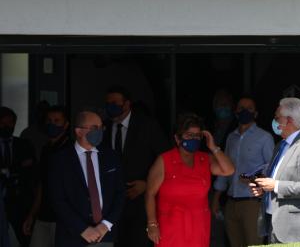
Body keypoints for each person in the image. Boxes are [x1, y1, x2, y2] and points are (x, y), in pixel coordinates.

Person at [145, 114, 234, 247]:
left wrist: (213, 147)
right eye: (189, 135)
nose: (194, 138)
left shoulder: (204, 159)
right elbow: (150, 193)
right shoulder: (165, 160)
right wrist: (152, 224)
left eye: (197, 135)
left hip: (198, 227)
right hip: (170, 227)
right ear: (177, 138)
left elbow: (229, 170)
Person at [249, 97, 300, 244]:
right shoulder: (280, 146)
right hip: (274, 225)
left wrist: (276, 185)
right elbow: (277, 180)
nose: (274, 121)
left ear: (288, 120)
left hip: (296, 231)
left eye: (277, 118)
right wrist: (264, 189)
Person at [102, 85, 169, 247]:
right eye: (108, 103)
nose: (111, 106)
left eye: (115, 103)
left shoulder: (147, 126)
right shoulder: (103, 128)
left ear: (126, 104)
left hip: (140, 202)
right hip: (111, 204)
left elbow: (166, 159)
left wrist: (147, 184)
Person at [48, 110, 125, 247]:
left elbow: (120, 193)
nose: (100, 131)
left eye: (101, 127)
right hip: (71, 236)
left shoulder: (111, 157)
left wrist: (106, 224)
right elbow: (57, 200)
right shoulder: (60, 160)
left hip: (105, 235)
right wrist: (82, 229)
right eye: (95, 128)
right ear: (79, 131)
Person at [211, 97, 273, 247]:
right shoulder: (231, 138)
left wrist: (254, 178)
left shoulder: (264, 137)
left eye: (249, 108)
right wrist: (216, 199)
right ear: (235, 112)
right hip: (231, 203)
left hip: (253, 203)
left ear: (256, 113)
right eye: (241, 108)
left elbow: (273, 170)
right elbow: (223, 171)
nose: (245, 111)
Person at [23, 105, 71, 246]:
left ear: (66, 124)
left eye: (57, 121)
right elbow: (42, 184)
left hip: (62, 219)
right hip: (43, 216)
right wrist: (32, 214)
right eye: (49, 120)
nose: (52, 124)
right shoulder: (46, 149)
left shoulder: (71, 150)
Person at [0, 106, 35, 246]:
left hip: (20, 201)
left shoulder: (24, 144)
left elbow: (31, 167)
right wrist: (17, 167)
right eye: (2, 123)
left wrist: (7, 170)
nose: (6, 126)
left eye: (9, 123)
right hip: (1, 198)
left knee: (25, 238)